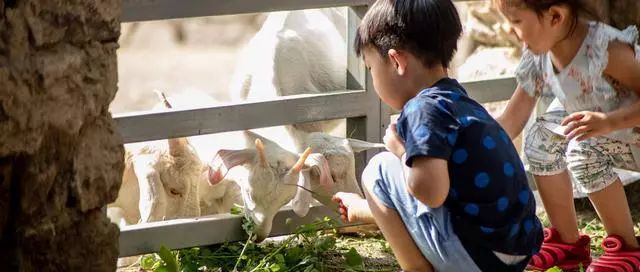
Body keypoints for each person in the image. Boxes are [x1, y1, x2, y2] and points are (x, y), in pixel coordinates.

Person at [332, 0, 543, 271]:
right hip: (512, 254)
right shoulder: (459, 102)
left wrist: (400, 151)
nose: (373, 80)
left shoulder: (422, 109)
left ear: (396, 61)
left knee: (378, 170)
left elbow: (431, 193)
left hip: (479, 258)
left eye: (371, 68)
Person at [492, 0, 640, 271]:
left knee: (582, 147)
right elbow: (512, 119)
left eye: (515, 22)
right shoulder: (539, 55)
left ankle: (627, 249)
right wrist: (471, 144)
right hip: (605, 126)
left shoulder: (605, 49)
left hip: (630, 127)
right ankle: (567, 241)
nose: (508, 31)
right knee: (540, 139)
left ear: (555, 16)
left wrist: (608, 122)